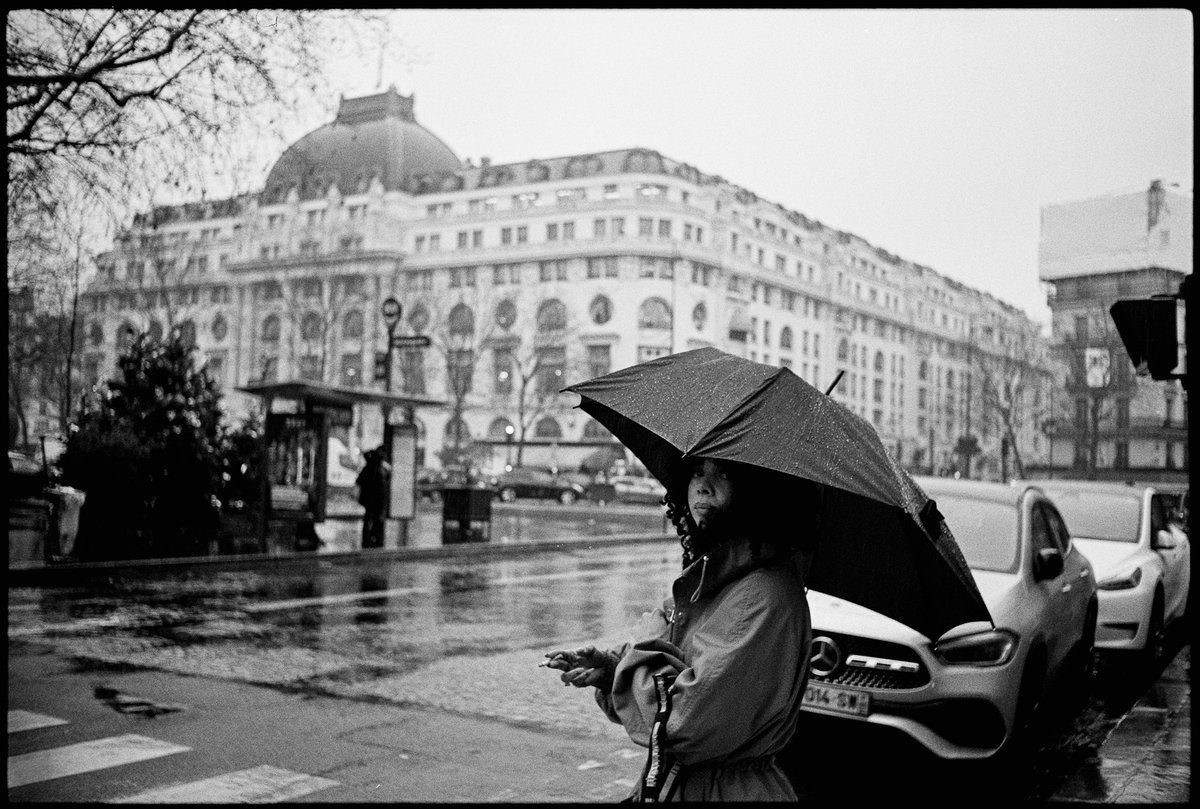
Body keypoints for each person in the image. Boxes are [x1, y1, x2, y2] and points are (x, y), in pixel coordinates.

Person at [543, 457, 819, 802]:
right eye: (696, 472)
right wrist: (612, 672)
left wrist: (642, 647)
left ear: (756, 492)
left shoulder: (760, 594)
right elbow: (672, 688)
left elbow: (684, 727)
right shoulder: (713, 578)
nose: (703, 485)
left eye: (723, 473)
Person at [355, 446, 391, 549]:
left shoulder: (369, 467)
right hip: (376, 500)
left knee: (368, 519)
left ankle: (367, 539)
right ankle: (375, 539)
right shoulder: (379, 468)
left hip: (369, 500)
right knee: (376, 520)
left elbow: (359, 481)